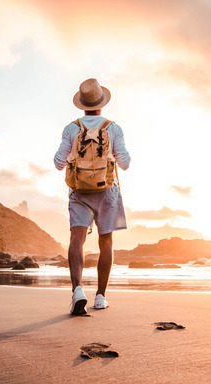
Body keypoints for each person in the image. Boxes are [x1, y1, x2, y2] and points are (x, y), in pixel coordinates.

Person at [54, 78, 130, 315]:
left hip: (79, 191)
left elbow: (58, 163)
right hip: (107, 191)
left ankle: (77, 290)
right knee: (105, 241)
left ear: (82, 104)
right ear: (101, 103)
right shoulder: (113, 128)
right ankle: (100, 297)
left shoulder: (71, 128)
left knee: (77, 239)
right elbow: (125, 164)